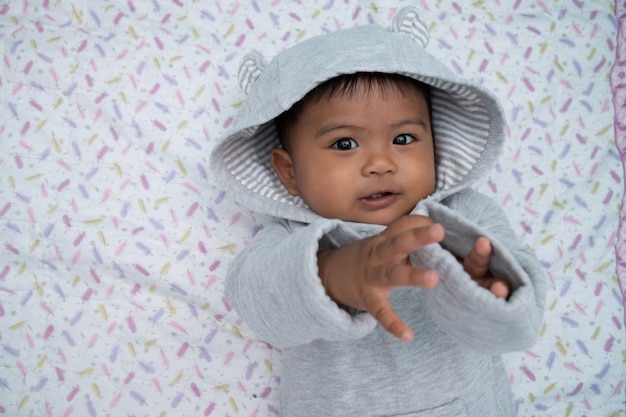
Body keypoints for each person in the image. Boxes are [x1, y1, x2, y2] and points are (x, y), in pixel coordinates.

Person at [211, 6, 546, 417]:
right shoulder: (289, 241)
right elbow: (259, 305)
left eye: (404, 138)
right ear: (290, 172)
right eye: (345, 144)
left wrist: (489, 286)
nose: (380, 163)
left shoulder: (465, 216)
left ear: (436, 145)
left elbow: (521, 327)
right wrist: (332, 273)